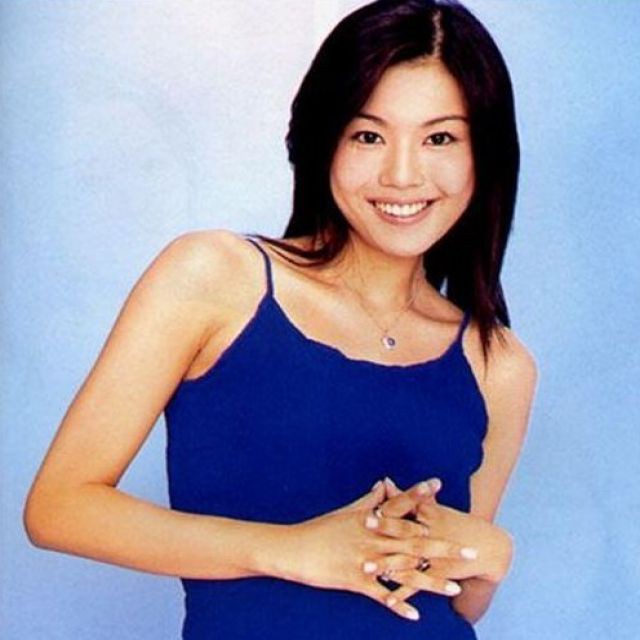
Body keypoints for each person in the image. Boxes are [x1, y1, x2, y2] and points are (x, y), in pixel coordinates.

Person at [24, 0, 537, 638]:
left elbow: (452, 600)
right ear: (325, 141)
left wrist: (490, 557)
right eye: (369, 135)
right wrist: (290, 549)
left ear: (483, 154)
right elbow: (58, 508)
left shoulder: (498, 363)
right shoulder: (215, 278)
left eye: (440, 138)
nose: (403, 174)